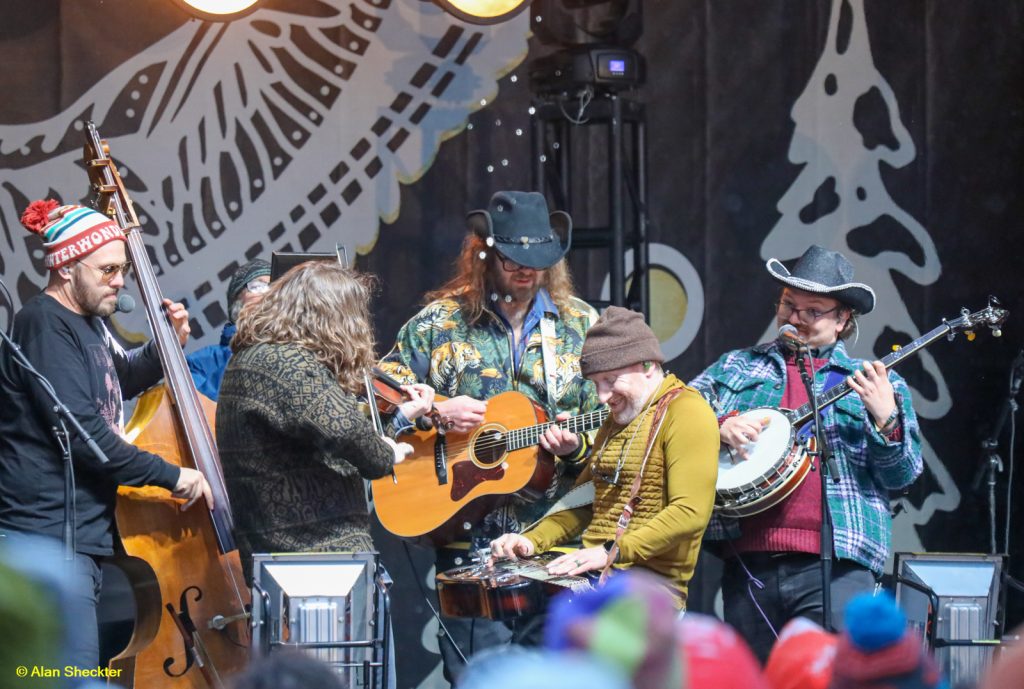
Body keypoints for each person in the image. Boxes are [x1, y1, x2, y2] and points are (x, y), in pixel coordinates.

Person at [377, 190, 601, 670]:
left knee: (561, 676)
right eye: (513, 259)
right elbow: (378, 390)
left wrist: (575, 446)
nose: (526, 270)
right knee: (479, 676)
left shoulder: (582, 325)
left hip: (554, 536)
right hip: (467, 536)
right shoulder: (440, 323)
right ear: (484, 254)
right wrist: (437, 409)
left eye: (537, 260)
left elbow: (610, 422)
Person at [0, 199, 213, 671]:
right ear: (66, 268)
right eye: (108, 270)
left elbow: (121, 381)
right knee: (66, 674)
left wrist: (166, 346)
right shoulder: (44, 325)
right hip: (47, 538)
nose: (119, 281)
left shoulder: (90, 323)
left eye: (122, 270)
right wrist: (173, 476)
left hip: (79, 537)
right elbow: (85, 434)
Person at [689, 244, 923, 663]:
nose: (794, 318)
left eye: (812, 311)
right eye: (788, 305)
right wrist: (717, 426)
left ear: (842, 319)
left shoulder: (873, 381)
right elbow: (674, 418)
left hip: (839, 564)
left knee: (832, 677)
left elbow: (902, 474)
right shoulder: (737, 367)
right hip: (750, 561)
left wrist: (886, 417)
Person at [215, 260, 435, 580]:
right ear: (330, 318)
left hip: (288, 561)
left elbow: (329, 444)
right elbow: (355, 440)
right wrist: (388, 453)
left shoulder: (254, 356)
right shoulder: (288, 363)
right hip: (315, 562)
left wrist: (400, 417)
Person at [490, 307, 720, 609]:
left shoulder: (687, 411)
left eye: (610, 380)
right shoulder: (613, 423)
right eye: (596, 383)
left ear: (648, 365)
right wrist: (531, 540)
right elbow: (583, 502)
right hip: (600, 584)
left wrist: (610, 551)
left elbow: (689, 513)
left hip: (650, 598)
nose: (602, 396)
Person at [186, 258, 271, 401]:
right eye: (257, 286)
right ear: (237, 303)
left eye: (274, 286)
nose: (268, 294)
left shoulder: (303, 351)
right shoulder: (201, 363)